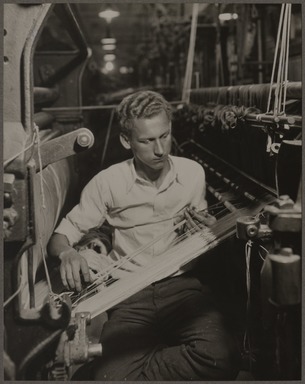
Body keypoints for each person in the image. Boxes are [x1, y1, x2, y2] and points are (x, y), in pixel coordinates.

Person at [48, 90, 240, 380]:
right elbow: (60, 237)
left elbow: (202, 225)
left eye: (165, 136)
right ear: (127, 141)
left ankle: (138, 366)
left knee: (222, 357)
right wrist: (68, 253)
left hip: (183, 288)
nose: (160, 149)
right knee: (109, 379)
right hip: (128, 293)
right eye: (147, 141)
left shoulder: (192, 174)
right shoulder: (108, 183)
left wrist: (207, 228)